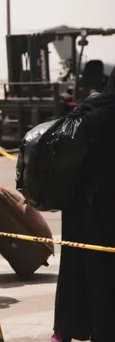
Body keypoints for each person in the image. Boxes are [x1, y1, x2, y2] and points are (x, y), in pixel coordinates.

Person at [51, 67, 115, 342]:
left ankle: (67, 328)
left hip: (77, 204)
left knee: (75, 266)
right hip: (106, 206)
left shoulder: (88, 108)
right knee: (105, 271)